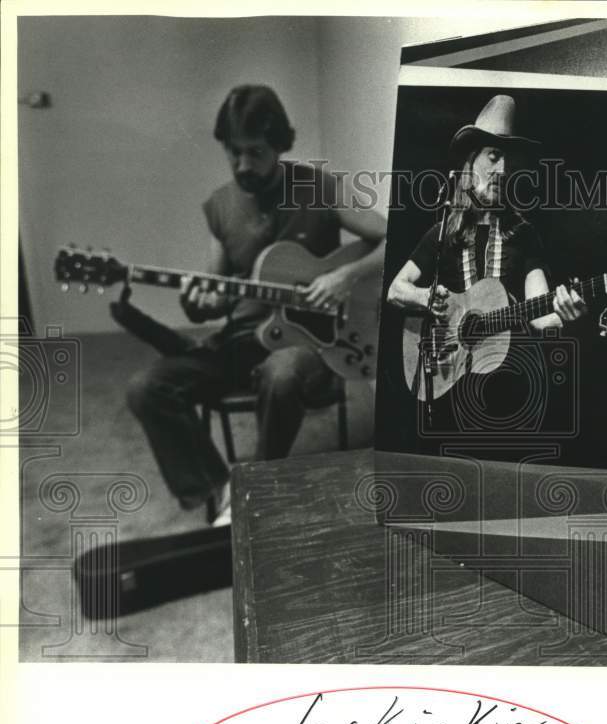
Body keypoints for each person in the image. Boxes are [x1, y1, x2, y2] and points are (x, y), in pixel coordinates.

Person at [126, 85, 386, 526]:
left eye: (256, 152)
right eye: (234, 153)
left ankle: (259, 483)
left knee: (281, 374)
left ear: (281, 145)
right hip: (242, 339)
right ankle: (221, 489)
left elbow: (394, 237)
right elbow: (215, 297)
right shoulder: (220, 206)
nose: (243, 165)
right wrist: (199, 304)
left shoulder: (319, 187)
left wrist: (344, 277)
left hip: (311, 343)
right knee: (146, 388)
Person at [386, 94, 584, 434]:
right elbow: (394, 290)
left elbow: (540, 312)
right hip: (447, 377)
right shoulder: (441, 232)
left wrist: (563, 315)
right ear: (470, 160)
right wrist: (424, 299)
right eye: (494, 156)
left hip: (505, 389)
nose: (502, 170)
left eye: (509, 160)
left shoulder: (524, 236)